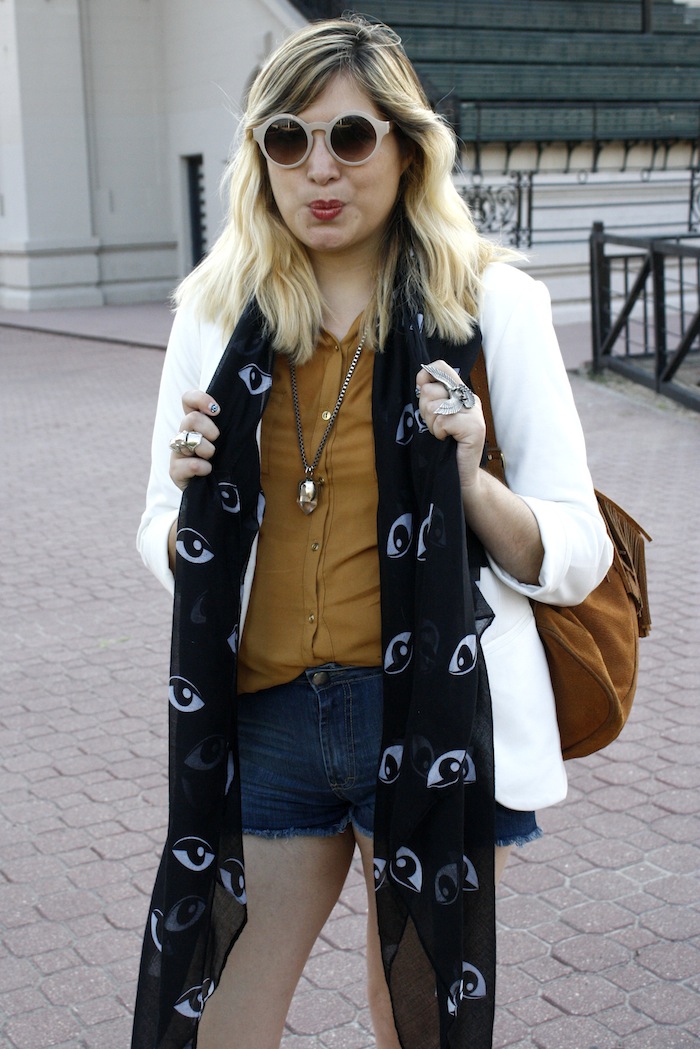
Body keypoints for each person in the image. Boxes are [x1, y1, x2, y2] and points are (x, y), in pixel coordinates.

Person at [132, 15, 612, 1049]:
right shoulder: (214, 312)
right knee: (216, 1017)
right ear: (260, 157)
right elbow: (159, 530)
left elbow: (576, 551)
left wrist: (470, 478)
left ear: (406, 147)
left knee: (414, 1022)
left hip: (431, 712)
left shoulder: (492, 304)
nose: (320, 168)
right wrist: (191, 512)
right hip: (267, 719)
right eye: (288, 138)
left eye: (350, 136)